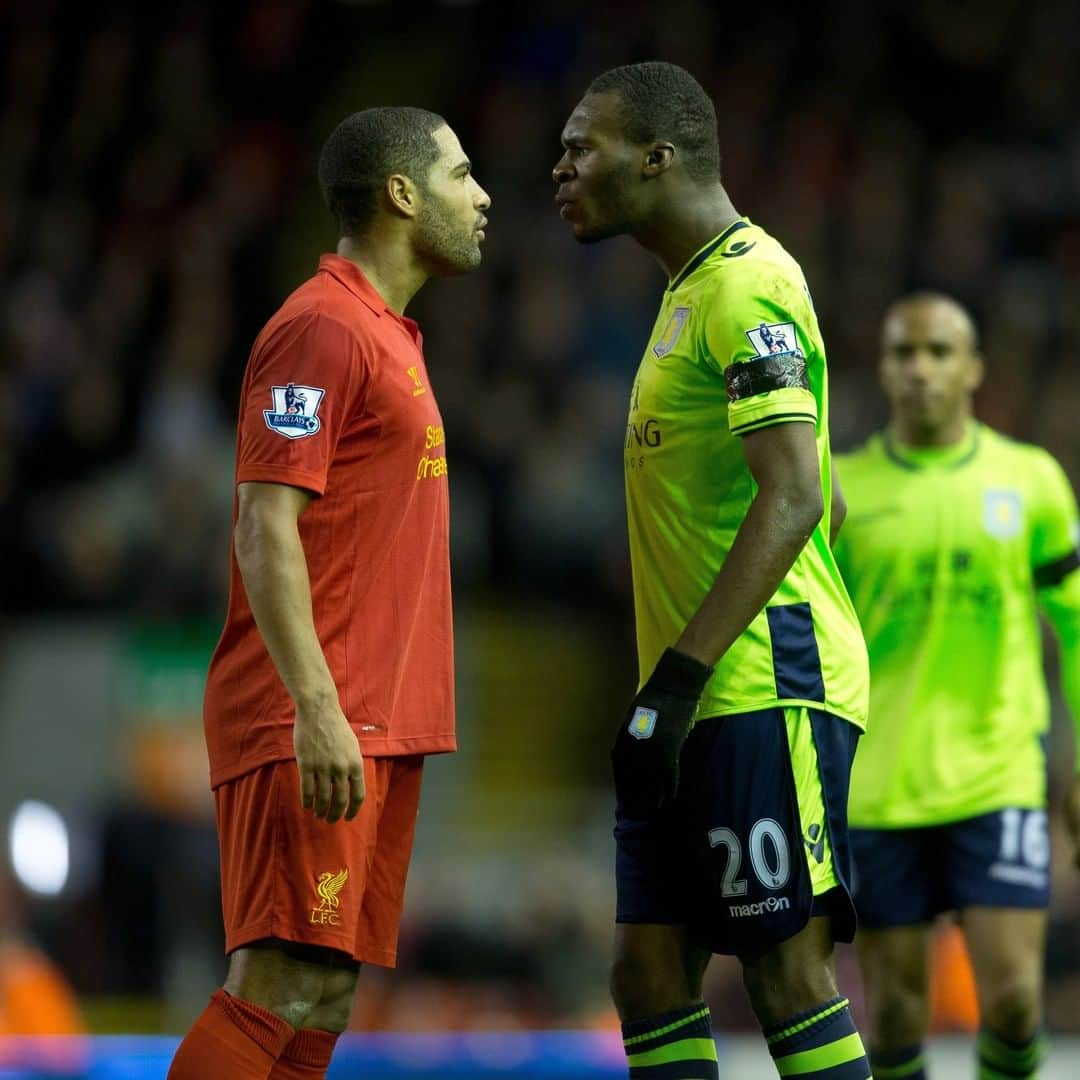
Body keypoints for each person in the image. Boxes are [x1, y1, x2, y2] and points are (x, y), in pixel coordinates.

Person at [553, 62, 871, 1080]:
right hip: (690, 696)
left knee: (785, 976)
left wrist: (680, 681)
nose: (559, 168)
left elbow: (797, 495)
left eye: (580, 146)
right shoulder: (688, 292)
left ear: (658, 157)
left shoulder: (749, 283)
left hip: (759, 683)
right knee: (647, 976)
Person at [168, 107, 490, 1080]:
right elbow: (262, 526)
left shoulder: (388, 335)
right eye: (461, 175)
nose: (482, 197)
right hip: (315, 712)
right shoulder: (318, 329)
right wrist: (316, 708)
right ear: (402, 194)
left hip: (374, 719)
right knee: (273, 980)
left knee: (324, 993)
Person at [833, 292, 1080, 1080]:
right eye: (904, 353)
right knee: (900, 1015)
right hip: (877, 788)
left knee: (1010, 1003)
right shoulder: (841, 492)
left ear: (973, 368)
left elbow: (1075, 629)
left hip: (997, 777)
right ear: (882, 369)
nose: (920, 369)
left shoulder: (1032, 481)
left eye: (939, 352)